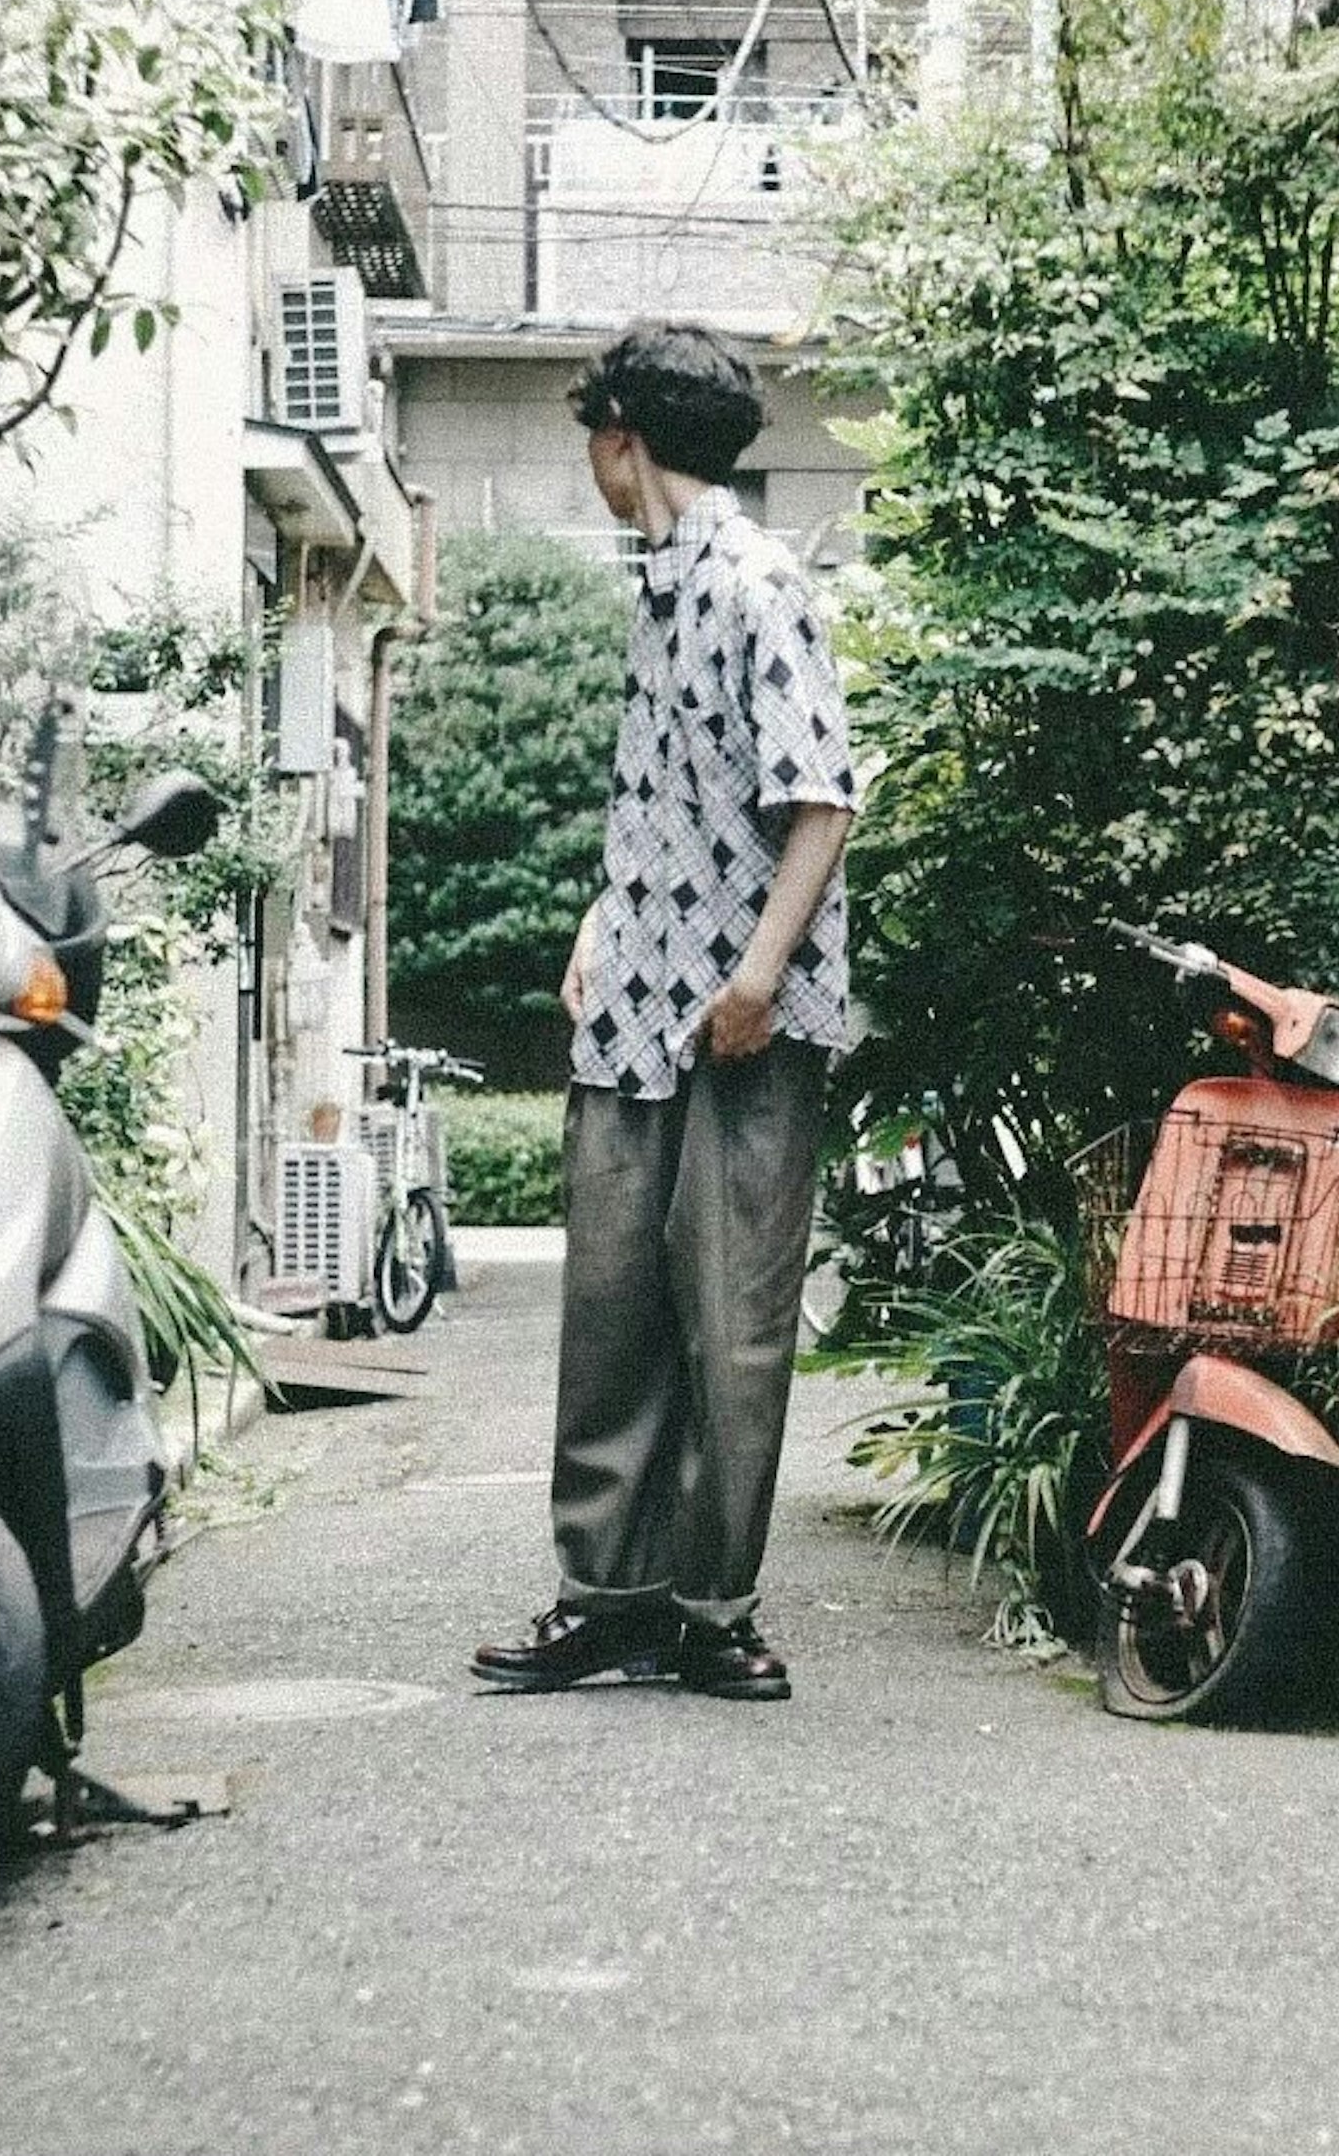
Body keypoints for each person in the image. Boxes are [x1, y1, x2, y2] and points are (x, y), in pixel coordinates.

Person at [471, 323, 855, 1704]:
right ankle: (609, 1599)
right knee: (613, 1303)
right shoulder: (663, 583)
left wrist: (756, 977)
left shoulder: (759, 582)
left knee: (733, 1315)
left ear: (620, 432)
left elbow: (822, 799)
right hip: (636, 1000)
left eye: (591, 428)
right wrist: (599, 918)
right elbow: (672, 796)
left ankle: (710, 1611)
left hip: (738, 1016)